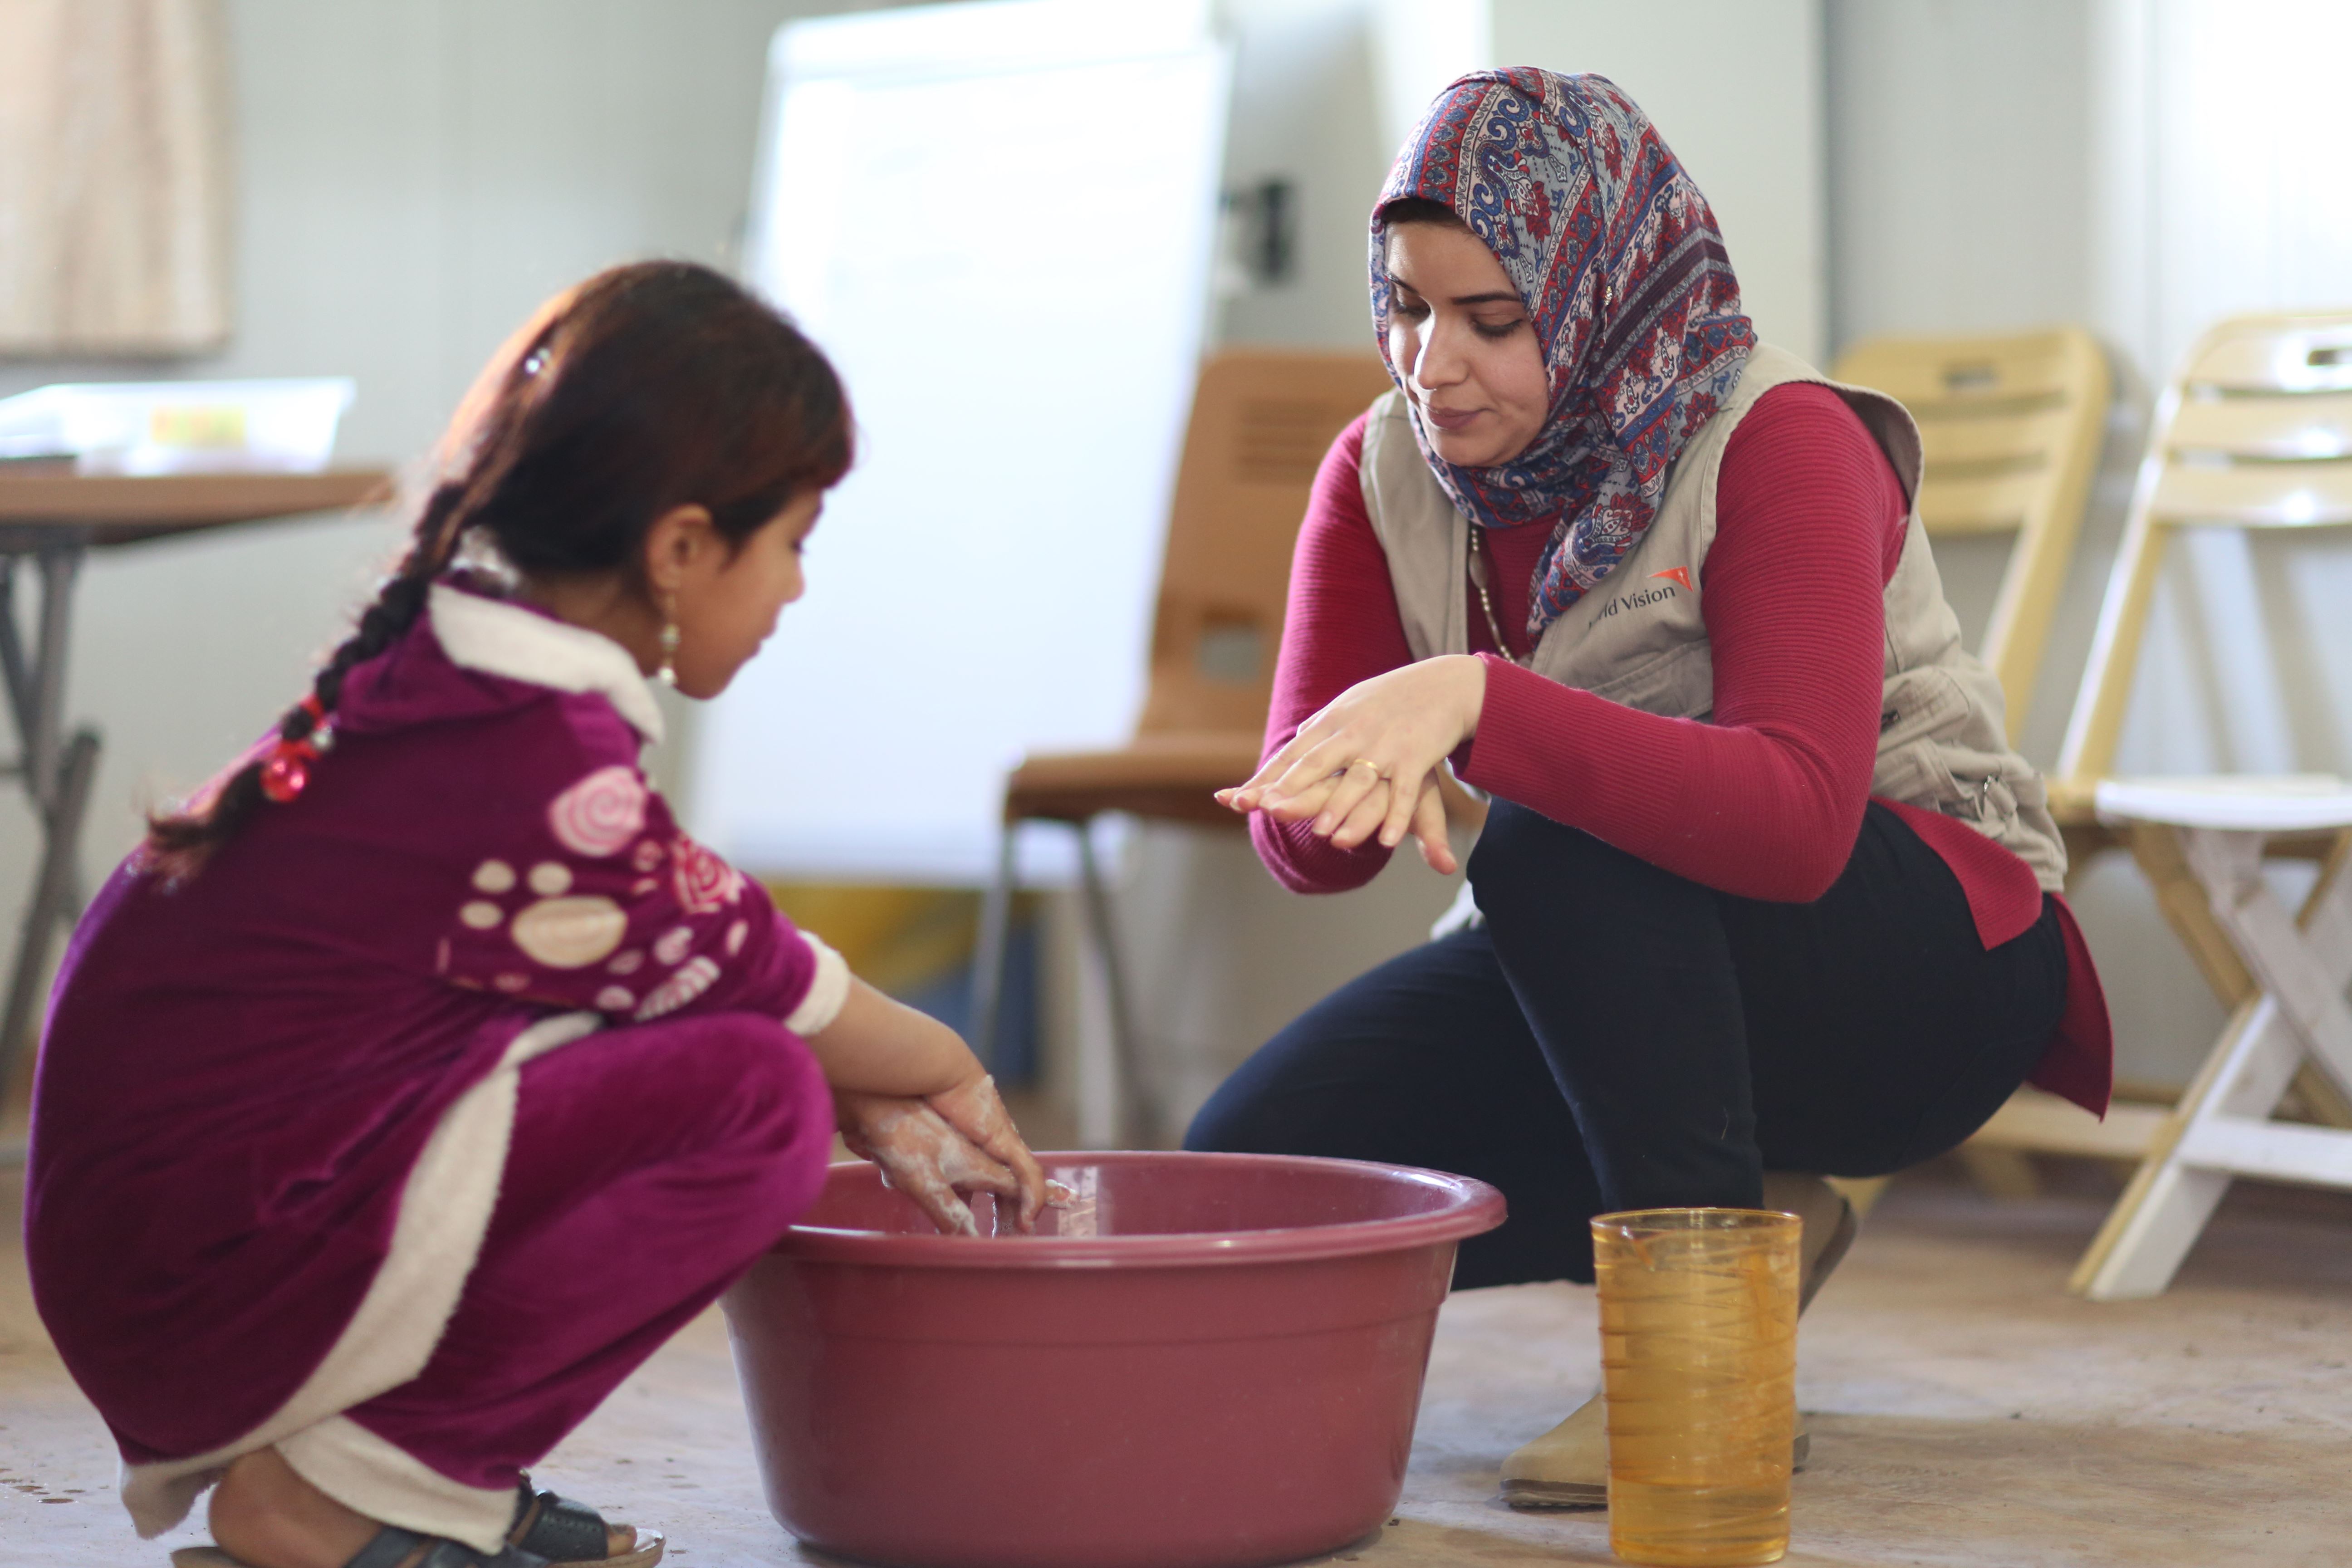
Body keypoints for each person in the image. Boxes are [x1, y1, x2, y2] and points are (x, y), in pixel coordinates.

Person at [26, 262, 1053, 1568]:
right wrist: (950, 1067)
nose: (798, 589)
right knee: (754, 1100)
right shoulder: (540, 763)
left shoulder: (454, 677)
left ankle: (387, 1476)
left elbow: (698, 968)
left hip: (172, 1251)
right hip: (203, 1282)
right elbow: (766, 977)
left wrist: (856, 1068)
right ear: (681, 548)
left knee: (727, 1059)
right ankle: (344, 1493)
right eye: (792, 543)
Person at [1191, 70, 2112, 1507]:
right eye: (1405, 307)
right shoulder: (1383, 469)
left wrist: (1483, 705)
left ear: (1607, 290)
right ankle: (1756, 1228)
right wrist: (1332, 794)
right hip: (1630, 963)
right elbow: (1319, 856)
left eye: (1493, 322)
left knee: (1559, 841)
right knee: (1251, 1172)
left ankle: (1702, 1365)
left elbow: (1802, 824)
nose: (1431, 365)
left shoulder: (1781, 435)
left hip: (1928, 965)